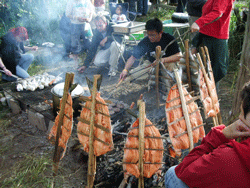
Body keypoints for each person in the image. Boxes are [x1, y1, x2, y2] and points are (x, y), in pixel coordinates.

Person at [165, 81, 250, 188]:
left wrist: (221, 135)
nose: (239, 118)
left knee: (172, 174)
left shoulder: (228, 158)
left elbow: (182, 171)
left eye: (242, 112)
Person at [119, 18, 181, 89]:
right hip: (151, 64)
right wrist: (125, 70)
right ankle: (154, 80)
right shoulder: (146, 41)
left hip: (167, 63)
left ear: (160, 32)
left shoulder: (169, 39)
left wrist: (162, 60)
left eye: (152, 35)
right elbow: (133, 57)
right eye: (148, 34)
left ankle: (168, 87)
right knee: (131, 76)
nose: (150, 37)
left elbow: (179, 56)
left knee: (170, 69)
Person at [190, 0, 234, 83]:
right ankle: (205, 89)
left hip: (217, 37)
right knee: (205, 69)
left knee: (218, 70)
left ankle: (207, 88)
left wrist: (199, 23)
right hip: (205, 36)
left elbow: (217, 13)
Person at [65, 0, 95, 64]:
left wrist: (89, 19)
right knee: (75, 44)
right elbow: (67, 14)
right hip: (75, 25)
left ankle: (92, 61)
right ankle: (76, 62)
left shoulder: (87, 1)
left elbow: (91, 12)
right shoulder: (71, 2)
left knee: (89, 42)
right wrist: (76, 17)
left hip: (86, 25)